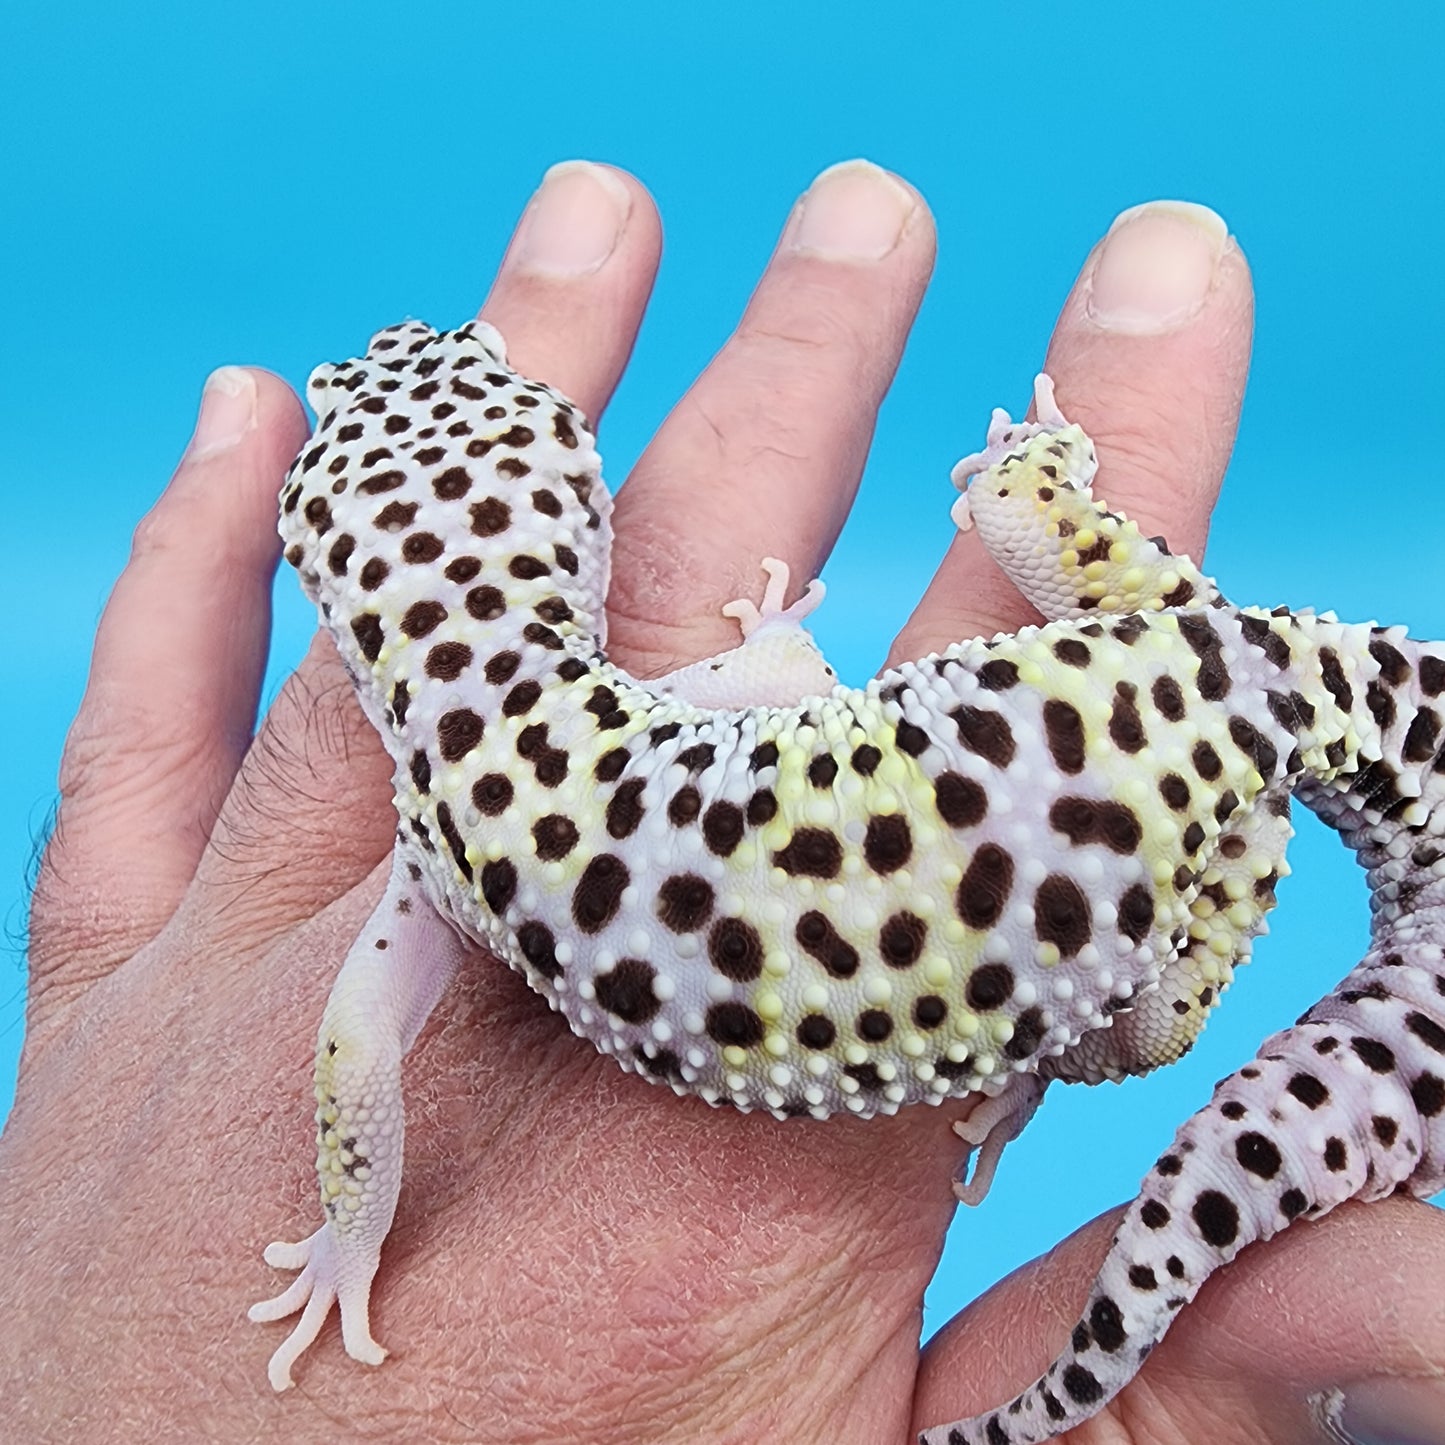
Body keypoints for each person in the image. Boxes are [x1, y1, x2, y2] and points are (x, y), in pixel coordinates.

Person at [3, 160, 1441, 1444]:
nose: (393, 358)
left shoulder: (438, 860)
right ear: (575, 516)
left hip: (1119, 832)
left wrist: (341, 1241)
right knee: (1114, 920)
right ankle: (1058, 536)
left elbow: (356, 1073)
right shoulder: (635, 713)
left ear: (332, 580)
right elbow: (768, 683)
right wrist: (801, 631)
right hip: (1157, 701)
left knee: (1127, 1022)